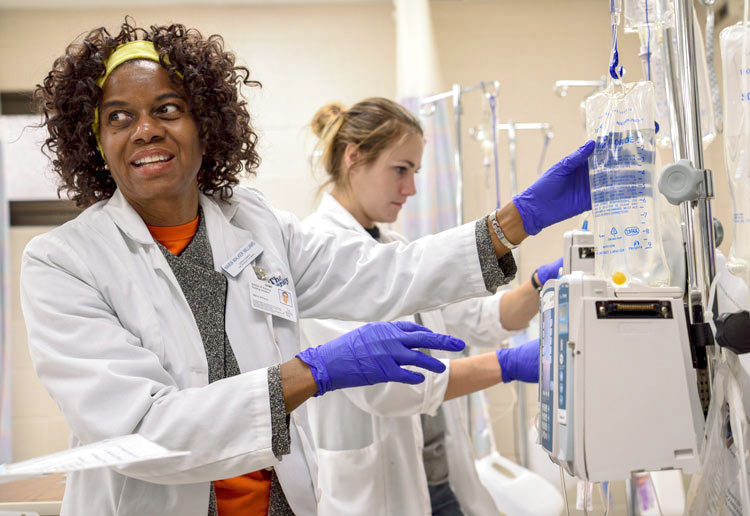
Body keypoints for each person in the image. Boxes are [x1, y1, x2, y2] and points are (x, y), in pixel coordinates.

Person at [21, 19, 594, 516]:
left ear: (206, 125)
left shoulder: (254, 222)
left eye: (168, 109)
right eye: (118, 117)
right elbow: (144, 430)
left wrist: (516, 219)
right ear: (95, 142)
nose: (145, 129)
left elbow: (382, 274)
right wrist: (310, 372)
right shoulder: (63, 263)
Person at [299, 98, 564, 516]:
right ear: (354, 157)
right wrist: (505, 365)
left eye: (416, 173)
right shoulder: (317, 254)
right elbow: (390, 390)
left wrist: (540, 285)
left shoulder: (394, 247)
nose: (411, 189)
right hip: (377, 493)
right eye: (400, 170)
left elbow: (481, 318)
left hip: (439, 478)